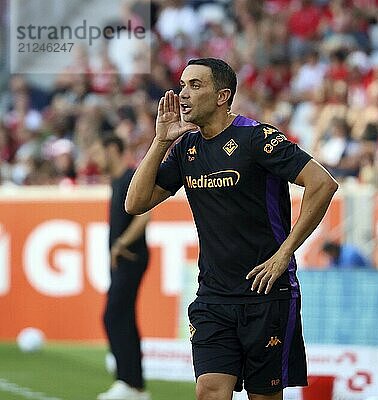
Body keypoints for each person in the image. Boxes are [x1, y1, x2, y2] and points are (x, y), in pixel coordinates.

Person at [125, 58, 338, 400]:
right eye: (182, 85)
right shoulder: (185, 149)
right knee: (209, 390)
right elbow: (134, 203)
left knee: (263, 397)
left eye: (195, 85)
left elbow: (323, 184)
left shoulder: (257, 138)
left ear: (222, 96)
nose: (183, 94)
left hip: (267, 292)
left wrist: (285, 253)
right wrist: (161, 141)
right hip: (213, 295)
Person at [95, 135, 151, 400]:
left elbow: (145, 216)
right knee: (124, 318)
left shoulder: (130, 177)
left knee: (113, 316)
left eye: (99, 150)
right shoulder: (117, 180)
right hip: (124, 259)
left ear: (113, 149)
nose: (95, 158)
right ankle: (135, 386)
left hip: (131, 256)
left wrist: (120, 245)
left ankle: (127, 382)